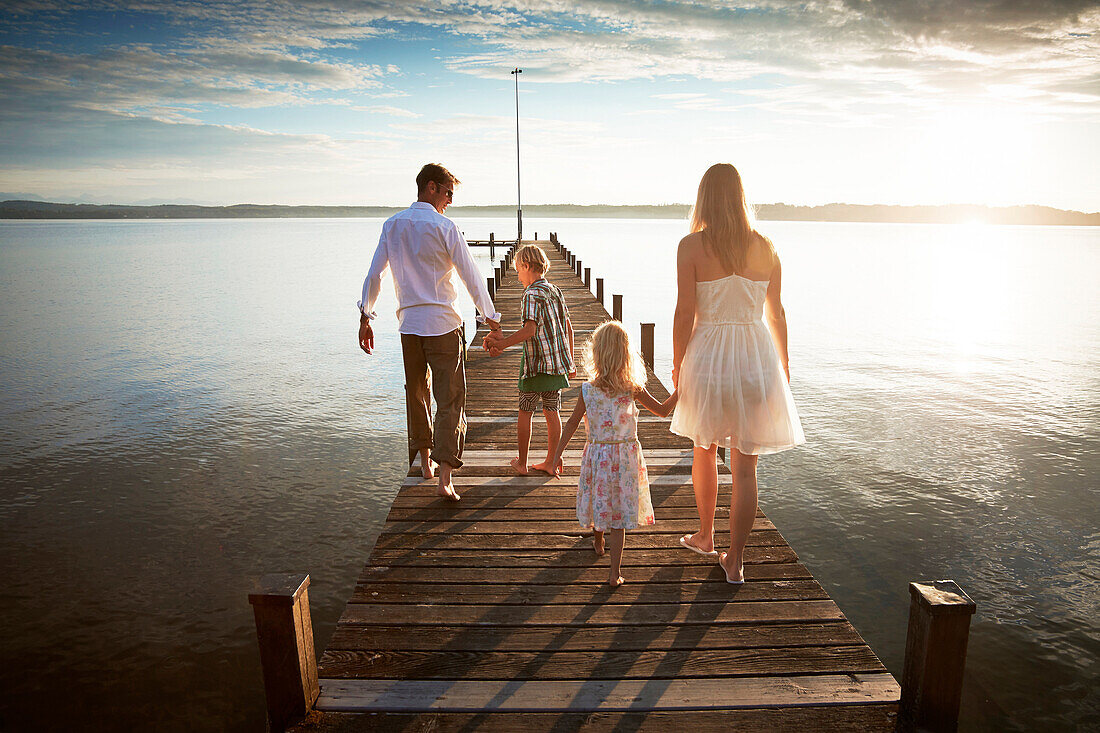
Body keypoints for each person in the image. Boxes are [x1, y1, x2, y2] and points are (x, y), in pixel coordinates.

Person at [670, 163, 805, 584]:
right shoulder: (766, 246)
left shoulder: (691, 246)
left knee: (705, 449)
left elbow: (684, 312)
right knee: (747, 469)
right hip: (755, 359)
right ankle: (736, 561)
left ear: (705, 198)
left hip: (709, 357)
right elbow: (777, 314)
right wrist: (783, 363)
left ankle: (707, 535)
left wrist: (676, 363)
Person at [358, 163, 502, 501]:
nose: (451, 200)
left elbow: (375, 275)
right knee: (450, 399)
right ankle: (445, 478)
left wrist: (366, 316)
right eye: (449, 192)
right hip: (443, 325)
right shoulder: (445, 227)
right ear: (432, 187)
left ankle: (425, 463)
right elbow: (470, 275)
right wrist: (490, 316)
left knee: (417, 393)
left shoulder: (392, 226)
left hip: (409, 326)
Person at [550, 321, 678, 587]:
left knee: (600, 502)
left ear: (596, 353)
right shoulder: (632, 388)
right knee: (617, 516)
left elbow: (572, 423)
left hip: (598, 457)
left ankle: (598, 541)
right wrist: (682, 389)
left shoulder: (587, 390)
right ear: (626, 354)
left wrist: (556, 455)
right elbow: (664, 411)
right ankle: (614, 574)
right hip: (625, 460)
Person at [482, 245, 576, 475]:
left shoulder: (531, 294)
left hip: (536, 366)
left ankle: (522, 463)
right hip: (555, 366)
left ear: (526, 266)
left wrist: (502, 345)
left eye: (517, 270)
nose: (517, 275)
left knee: (525, 410)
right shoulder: (555, 290)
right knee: (552, 411)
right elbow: (568, 328)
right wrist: (570, 361)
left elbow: (529, 331)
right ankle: (552, 461)